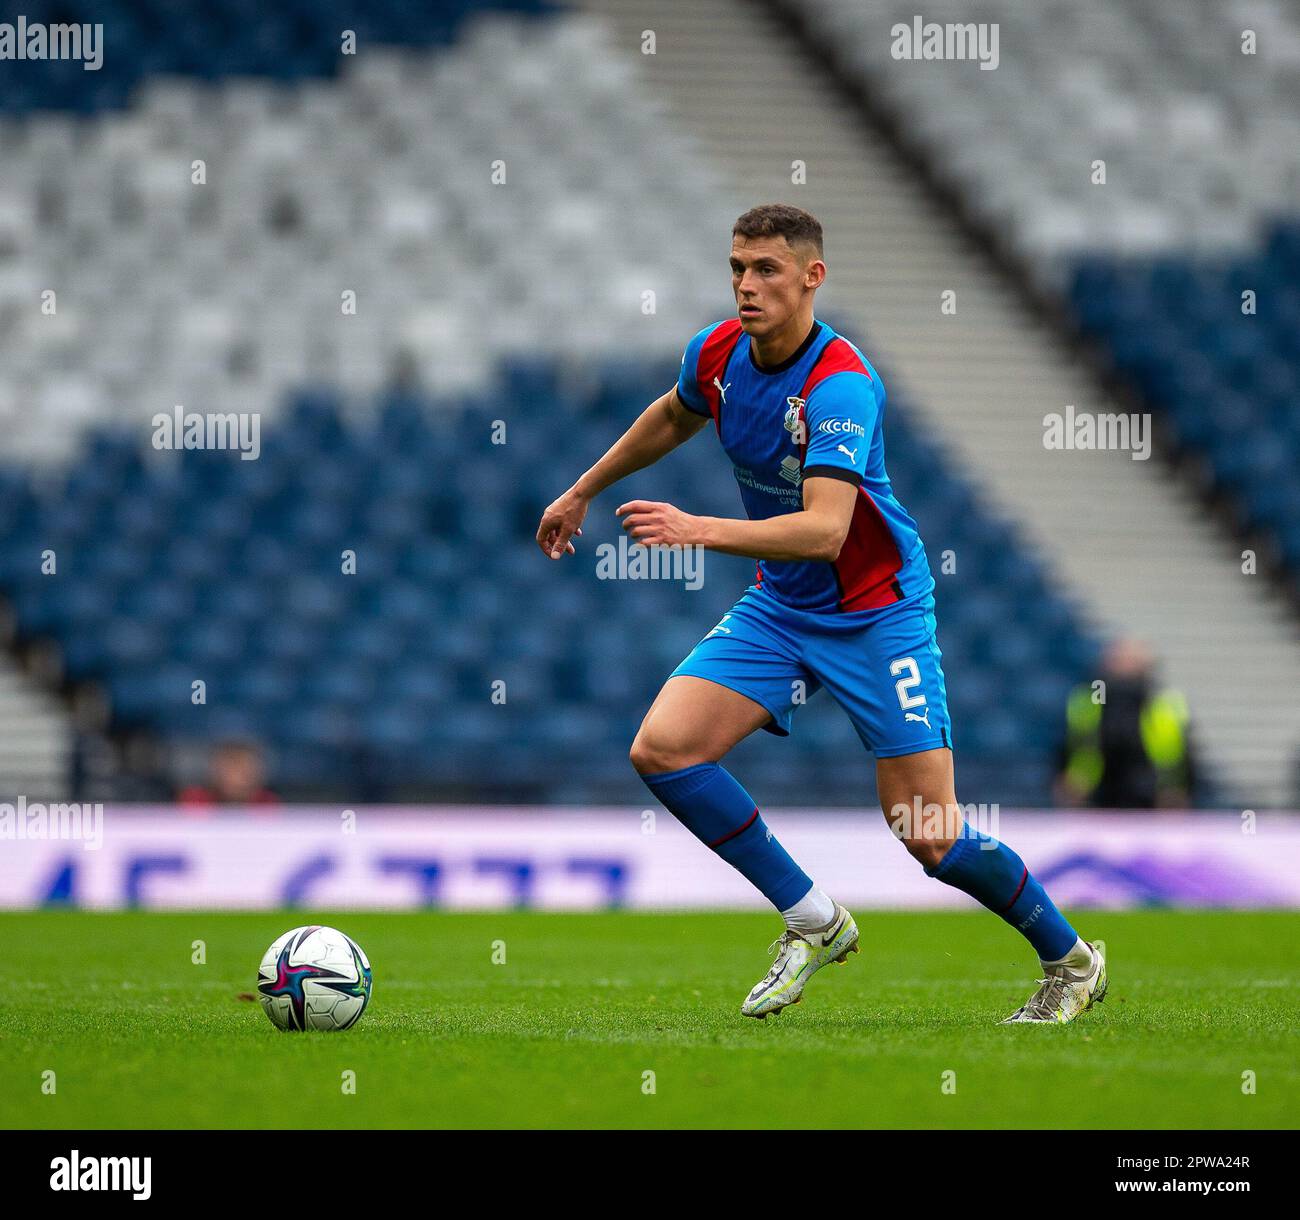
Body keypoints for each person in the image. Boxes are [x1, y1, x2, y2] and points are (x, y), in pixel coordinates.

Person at [536, 203, 1106, 1024]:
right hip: (783, 605)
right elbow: (674, 410)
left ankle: (1072, 960)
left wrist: (697, 530)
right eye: (737, 266)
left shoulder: (840, 383)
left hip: (876, 613)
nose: (746, 285)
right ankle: (810, 916)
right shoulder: (719, 350)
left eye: (766, 270)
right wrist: (584, 487)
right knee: (662, 750)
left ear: (812, 277)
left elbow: (826, 529)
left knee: (929, 834)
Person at [1056, 637, 1195, 809]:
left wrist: (1175, 788)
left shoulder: (1164, 703)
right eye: (1120, 659)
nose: (1125, 665)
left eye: (1131, 660)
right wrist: (1070, 780)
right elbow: (1070, 745)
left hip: (1150, 797)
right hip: (1096, 795)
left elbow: (1180, 754)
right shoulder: (1087, 701)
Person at [178, 740, 280, 810]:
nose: (237, 778)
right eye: (231, 769)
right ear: (216, 772)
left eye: (244, 770)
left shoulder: (267, 803)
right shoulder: (195, 801)